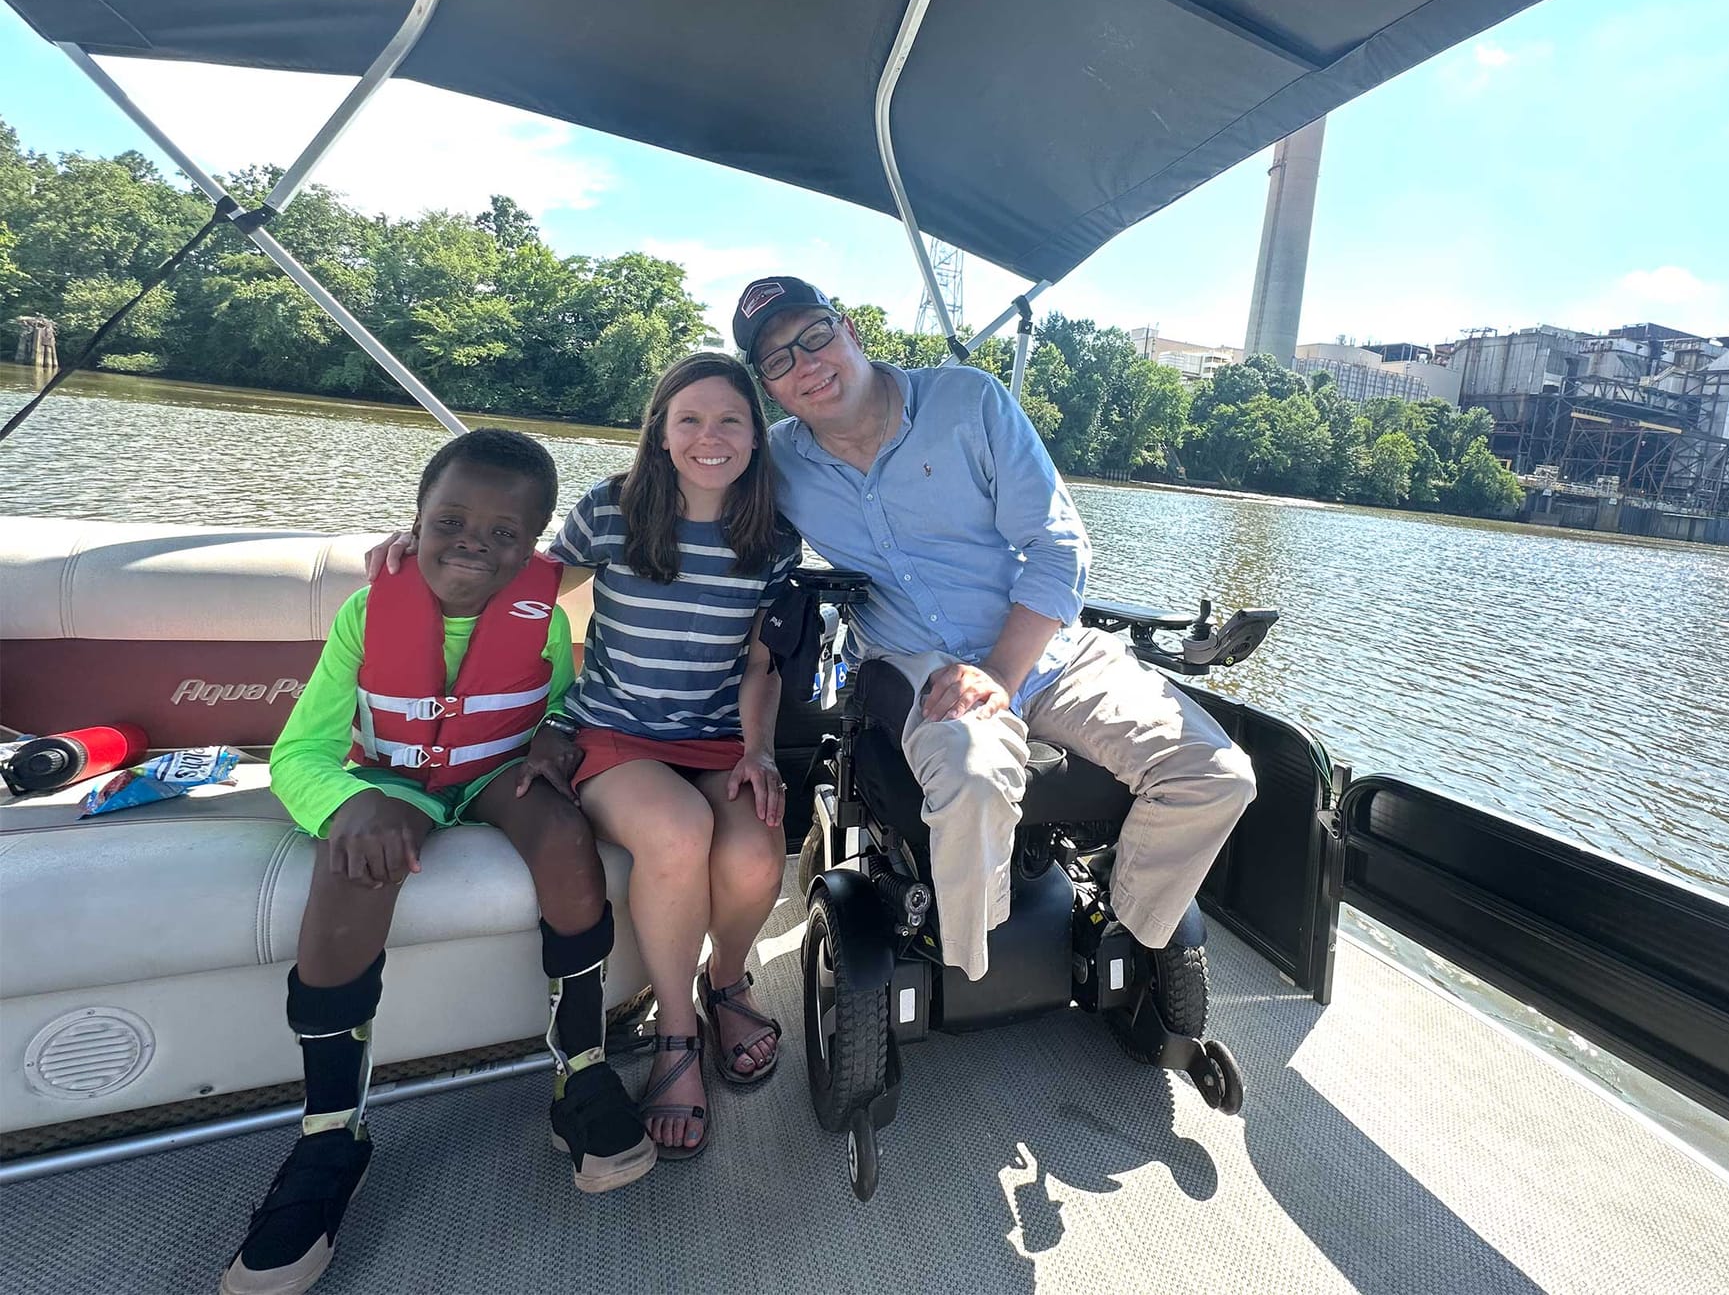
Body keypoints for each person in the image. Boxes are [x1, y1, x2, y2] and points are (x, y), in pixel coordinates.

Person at [730, 276, 1257, 984]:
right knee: (975, 779)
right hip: (912, 657)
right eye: (779, 359)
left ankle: (1119, 924)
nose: (806, 364)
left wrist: (1002, 674)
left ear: (849, 329)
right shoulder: (780, 459)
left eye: (815, 336)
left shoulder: (969, 402)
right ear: (769, 385)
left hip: (1051, 651)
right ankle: (970, 962)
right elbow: (701, 499)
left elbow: (1059, 546)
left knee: (1217, 773)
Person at [224, 429, 652, 1295]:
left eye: (504, 534)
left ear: (535, 545)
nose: (474, 544)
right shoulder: (365, 611)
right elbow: (297, 752)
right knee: (351, 867)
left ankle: (580, 1068)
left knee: (569, 840)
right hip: (395, 782)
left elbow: (561, 703)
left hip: (499, 772)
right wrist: (349, 803)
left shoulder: (543, 615)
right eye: (451, 521)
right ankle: (331, 1131)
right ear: (414, 521)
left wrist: (557, 748)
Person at [371, 354, 799, 1160]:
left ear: (756, 436)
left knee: (754, 852)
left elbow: (759, 663)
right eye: (690, 420)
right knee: (676, 833)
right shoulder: (613, 509)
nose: (710, 436)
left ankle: (728, 983)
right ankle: (677, 1035)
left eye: (730, 420)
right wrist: (428, 550)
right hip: (612, 732)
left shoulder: (772, 537)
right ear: (661, 435)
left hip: (717, 736)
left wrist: (761, 752)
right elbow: (522, 586)